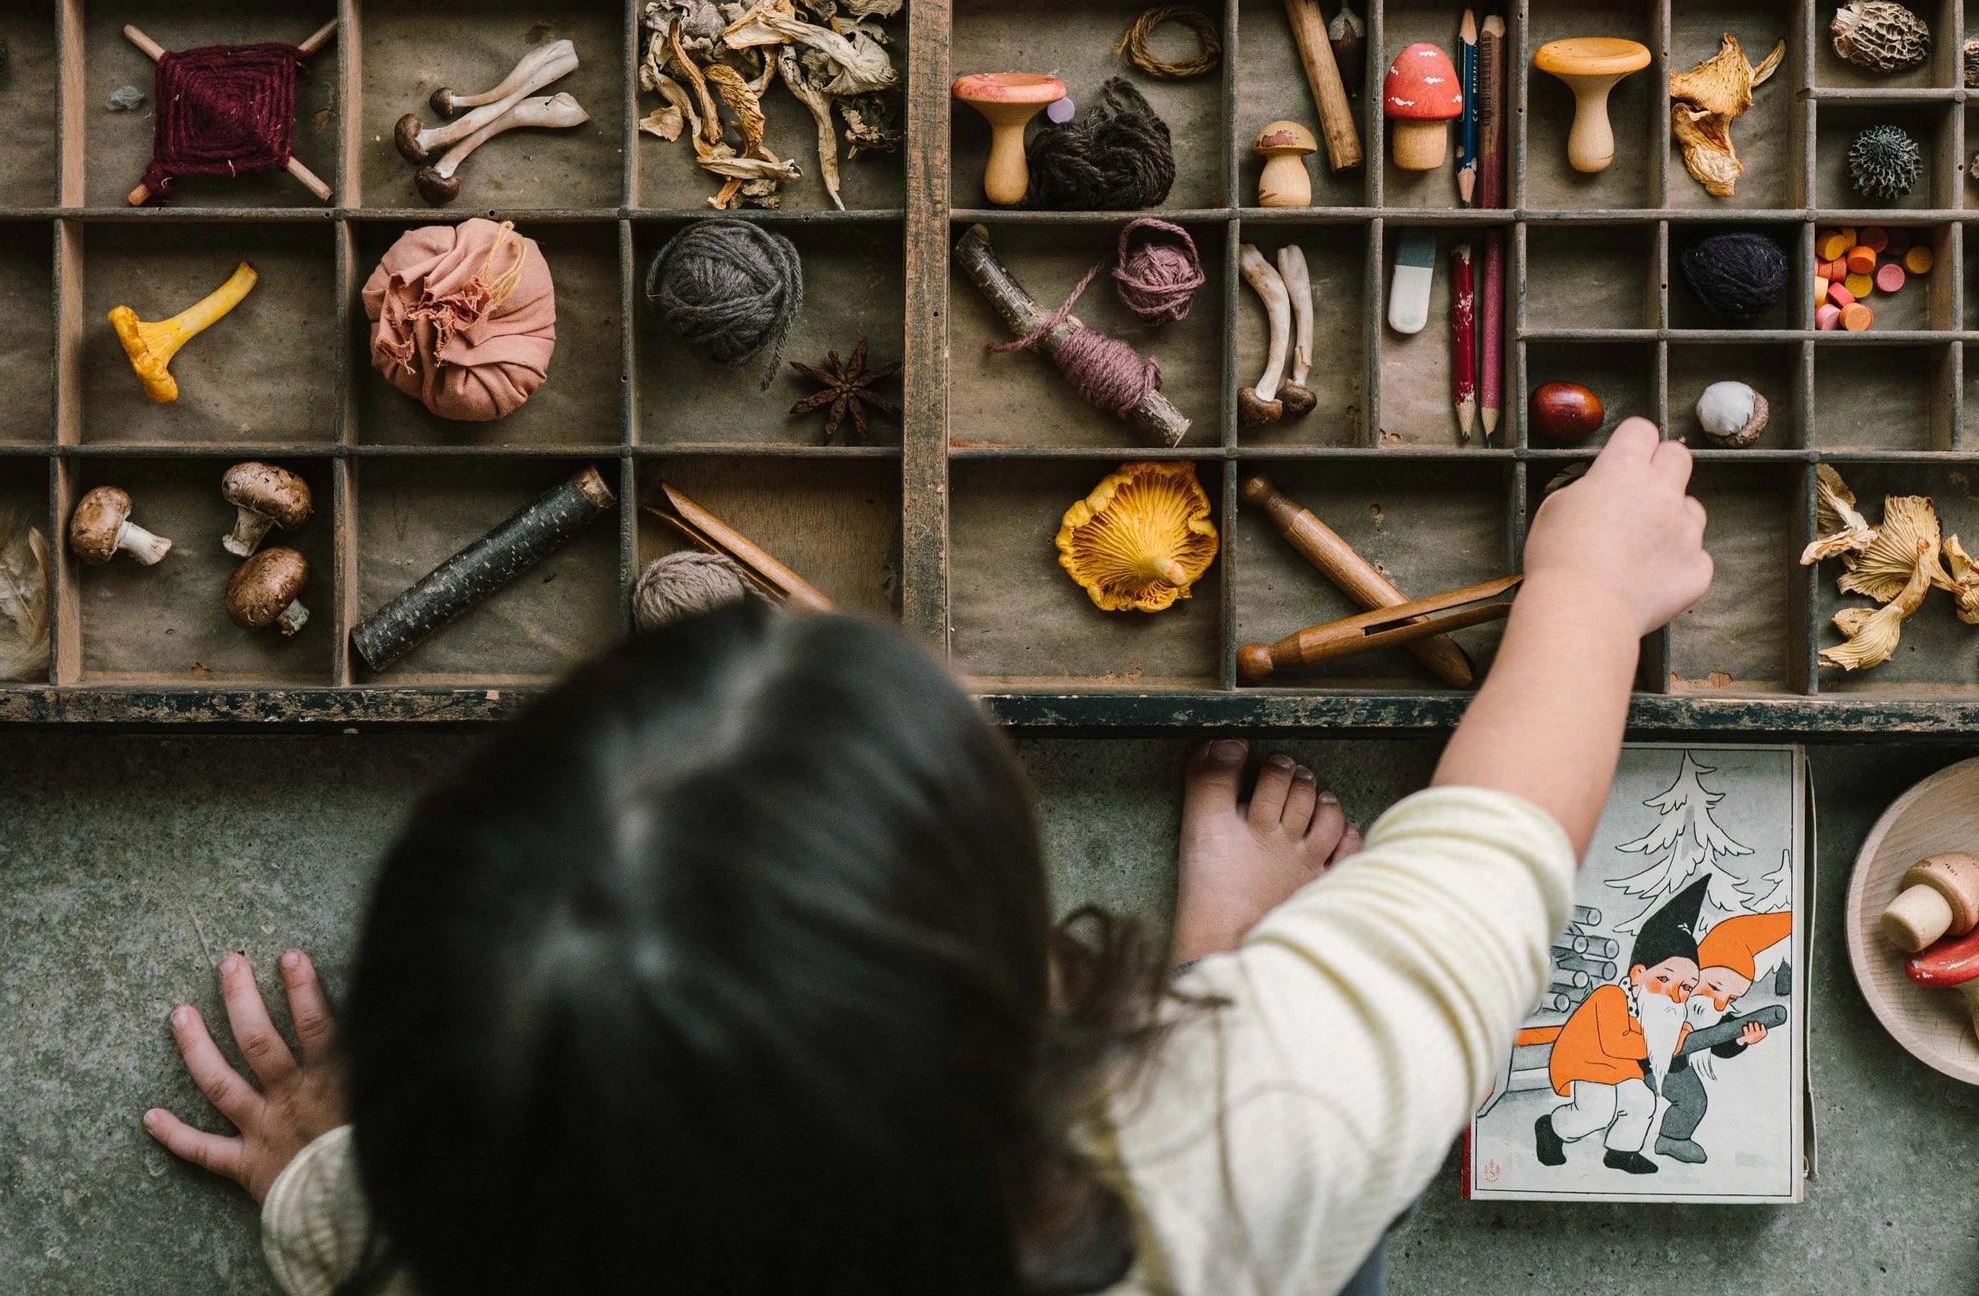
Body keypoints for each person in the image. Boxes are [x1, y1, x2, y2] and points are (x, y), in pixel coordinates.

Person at [142, 419, 1712, 1296]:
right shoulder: (1230, 1135)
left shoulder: (477, 1248)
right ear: (1011, 1009)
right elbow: (1495, 866)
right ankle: (1215, 964)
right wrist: (1583, 591)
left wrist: (327, 1198)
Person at [1535, 877, 1707, 1176]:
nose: (1674, 993)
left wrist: (1680, 1035)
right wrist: (1673, 1040)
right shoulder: (1611, 996)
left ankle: (1621, 1152)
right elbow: (1618, 1044)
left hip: (1621, 1069)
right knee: (1596, 1111)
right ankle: (1552, 1128)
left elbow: (1662, 1044)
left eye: (1686, 988)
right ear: (1638, 974)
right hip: (1588, 1064)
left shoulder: (1658, 1012)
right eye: (1665, 979)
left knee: (1642, 1103)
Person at [1653, 908, 1790, 1165]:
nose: (1719, 1004)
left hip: (1674, 1068)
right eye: (1715, 987)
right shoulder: (1664, 991)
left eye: (1731, 999)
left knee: (1693, 1100)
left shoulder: (1716, 1014)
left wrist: (1741, 1039)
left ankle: (1671, 1139)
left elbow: (1718, 1041)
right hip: (1637, 1061)